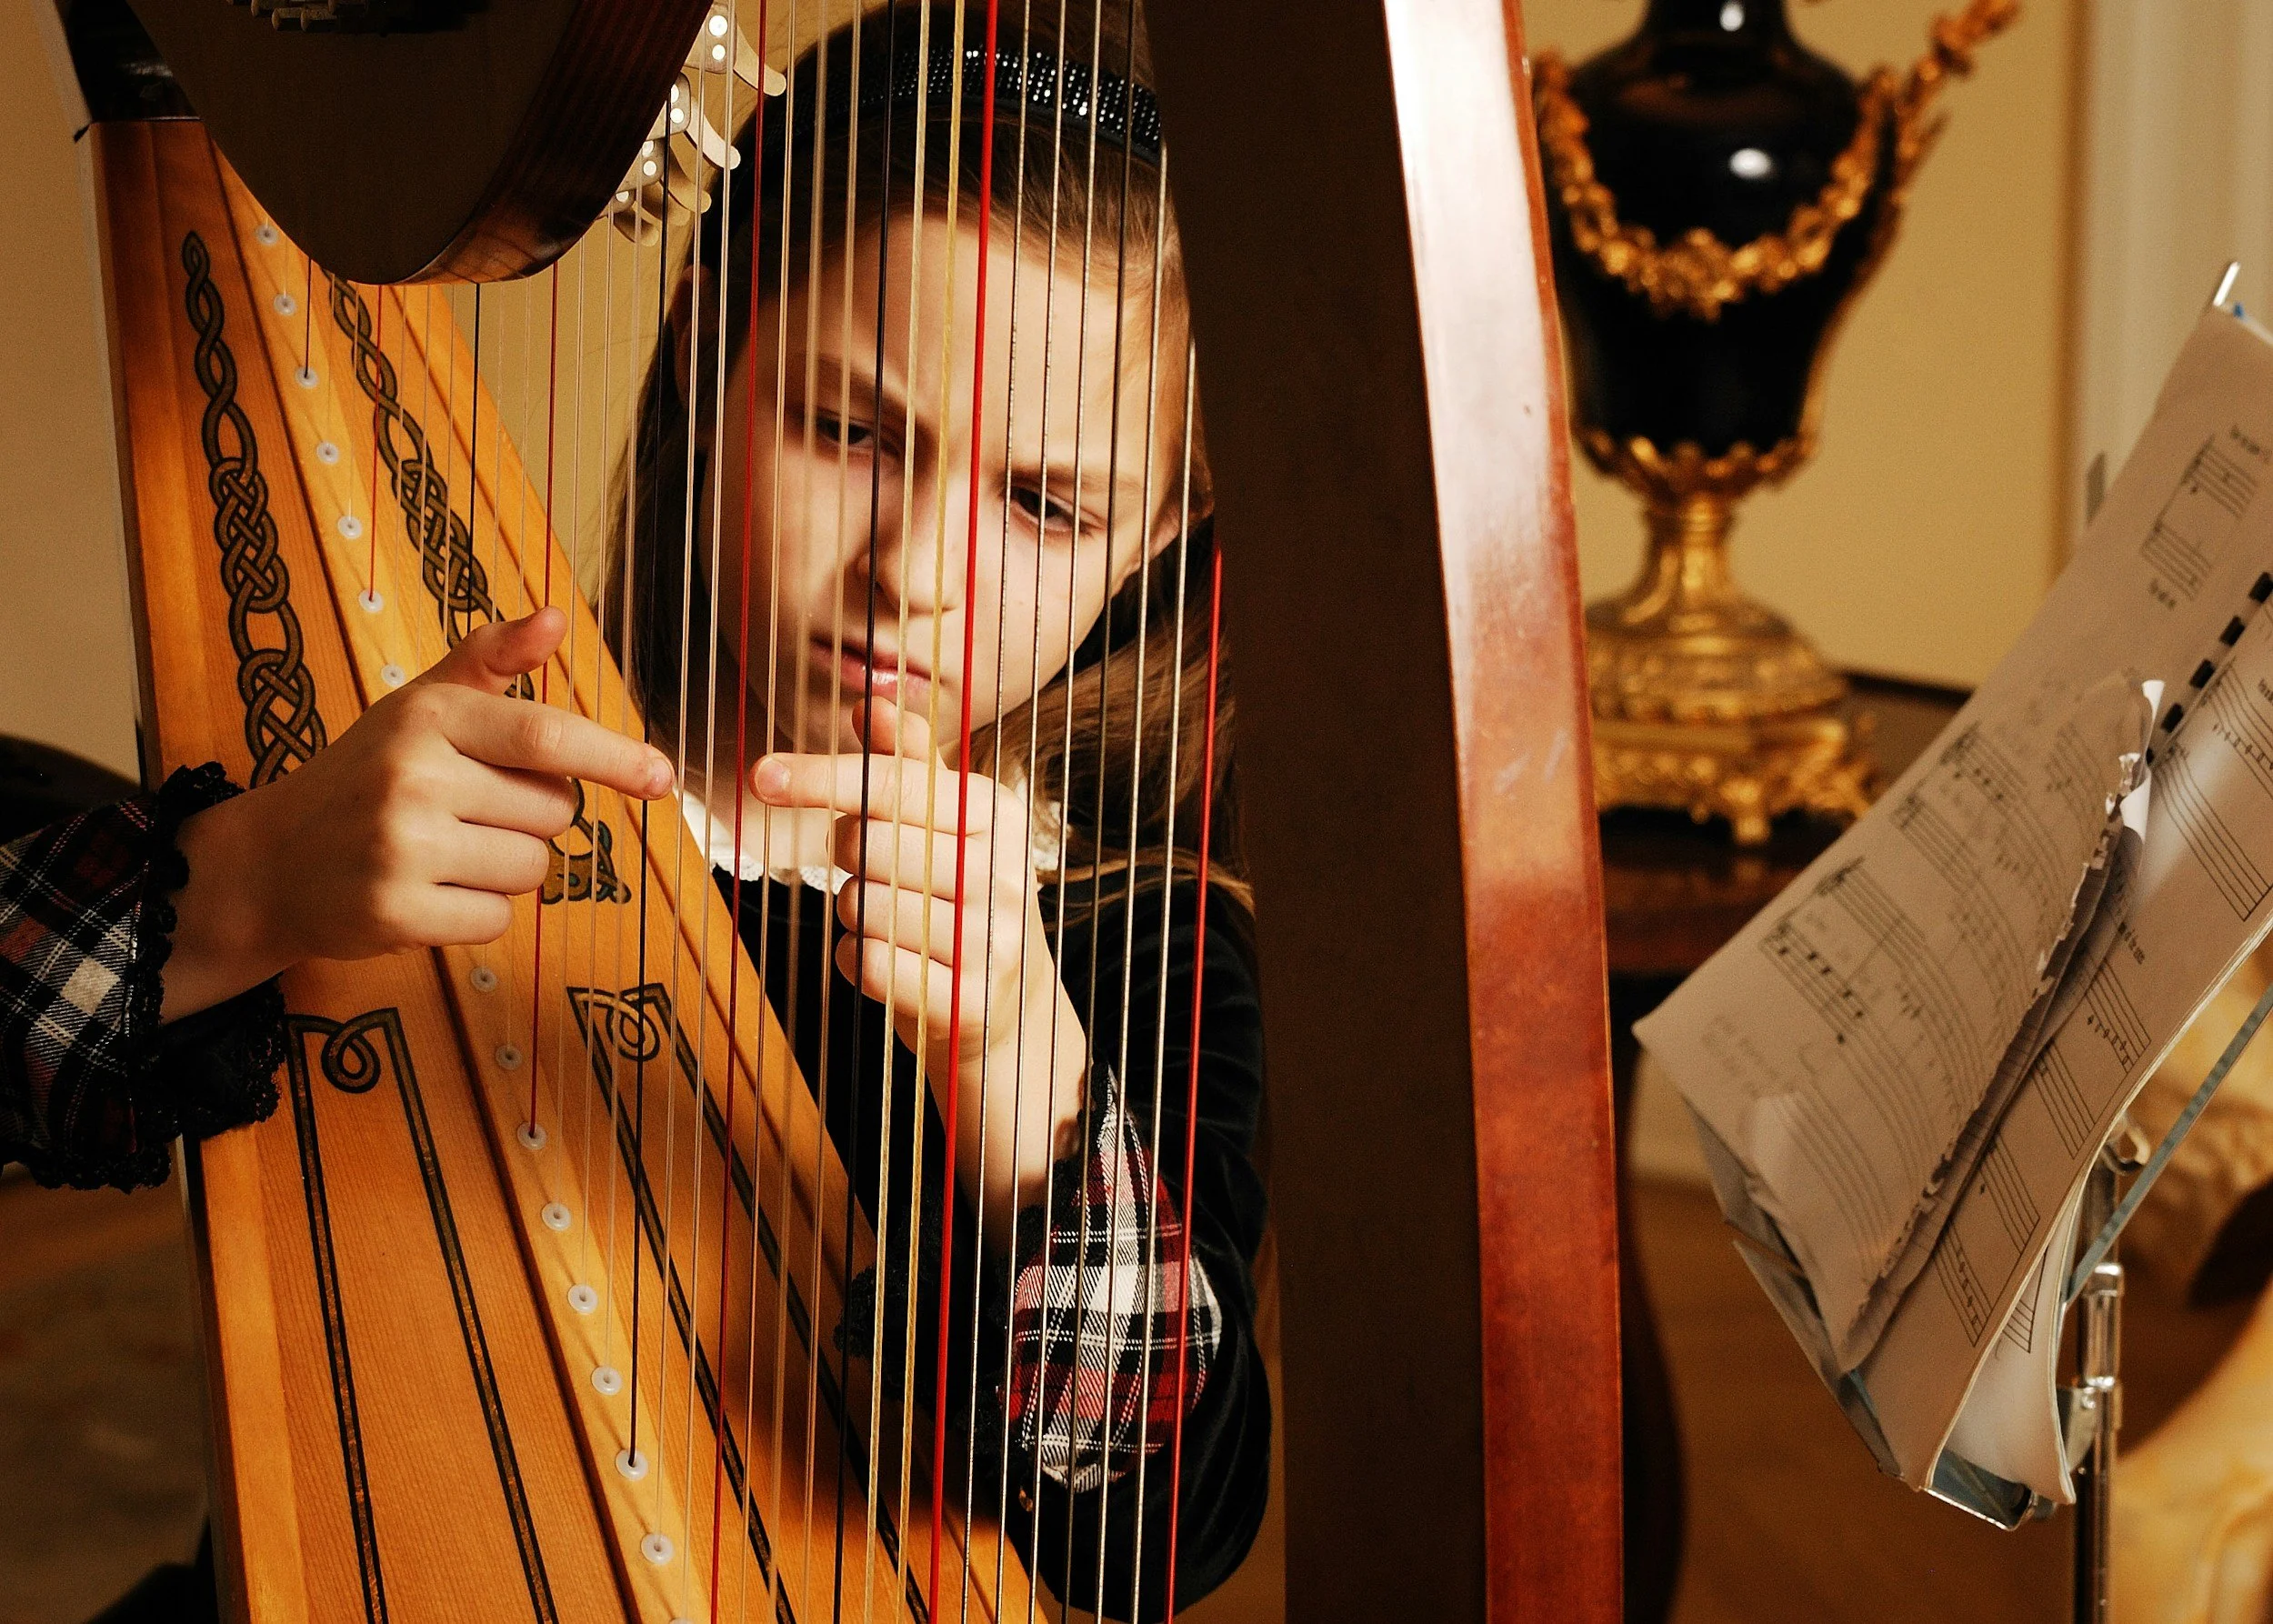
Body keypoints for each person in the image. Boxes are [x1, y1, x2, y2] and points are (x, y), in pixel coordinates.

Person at [2, 6, 1269, 1621]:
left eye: (1045, 504)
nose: (919, 574)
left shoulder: (1140, 946)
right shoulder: (417, 772)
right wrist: (245, 885)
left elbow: (1171, 1527)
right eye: (850, 428)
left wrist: (1019, 1078)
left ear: (1157, 537)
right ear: (713, 350)